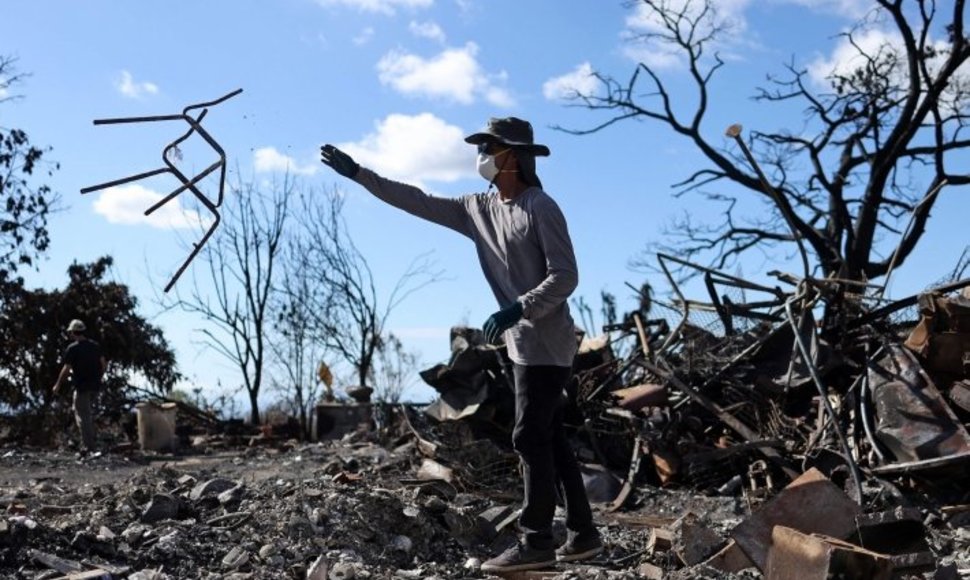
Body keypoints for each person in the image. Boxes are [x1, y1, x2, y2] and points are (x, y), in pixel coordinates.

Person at [320, 117, 603, 572]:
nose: (482, 156)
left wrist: (520, 307)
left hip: (548, 343)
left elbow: (565, 275)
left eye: (490, 148)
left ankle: (536, 541)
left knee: (529, 436)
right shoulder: (478, 208)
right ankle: (583, 534)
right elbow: (417, 200)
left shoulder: (540, 207)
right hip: (520, 346)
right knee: (549, 436)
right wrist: (360, 175)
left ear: (513, 156)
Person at [52, 319, 107, 453]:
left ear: (72, 332)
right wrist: (98, 377)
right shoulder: (95, 346)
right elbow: (103, 363)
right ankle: (90, 443)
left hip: (82, 386)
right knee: (86, 413)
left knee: (83, 416)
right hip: (95, 386)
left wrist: (58, 384)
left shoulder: (73, 348)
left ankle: (89, 447)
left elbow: (66, 369)